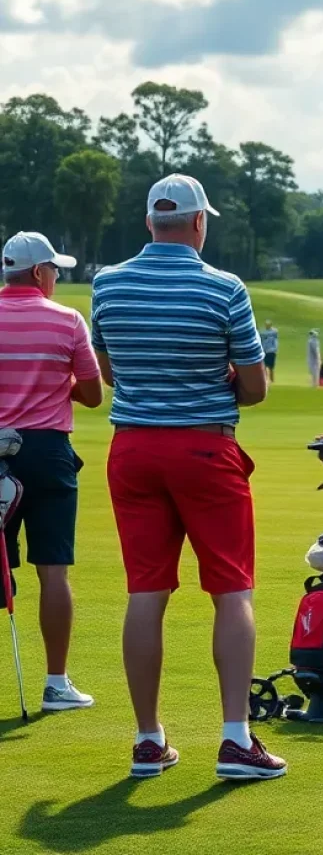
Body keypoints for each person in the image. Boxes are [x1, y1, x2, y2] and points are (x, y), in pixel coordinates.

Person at [90, 174, 285, 781]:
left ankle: (149, 741)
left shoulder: (106, 285)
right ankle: (234, 740)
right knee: (231, 590)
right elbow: (253, 387)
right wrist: (222, 376)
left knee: (146, 591)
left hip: (133, 451)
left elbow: (110, 372)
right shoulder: (224, 288)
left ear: (150, 222)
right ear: (200, 223)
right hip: (204, 452)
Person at [0, 232, 103, 712]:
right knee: (53, 570)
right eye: (55, 271)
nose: (58, 278)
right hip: (47, 452)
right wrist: (60, 383)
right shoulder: (67, 320)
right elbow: (93, 392)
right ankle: (57, 683)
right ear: (40, 273)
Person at [259, 320, 279, 386]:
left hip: (271, 351)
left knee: (271, 367)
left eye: (268, 324)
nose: (267, 325)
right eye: (266, 324)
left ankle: (272, 380)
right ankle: (266, 380)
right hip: (265, 351)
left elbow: (275, 341)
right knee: (265, 366)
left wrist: (275, 349)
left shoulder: (274, 332)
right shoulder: (263, 332)